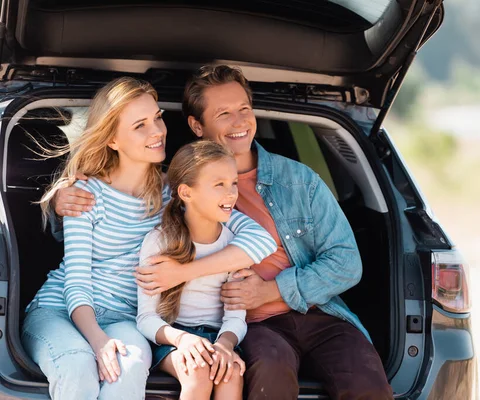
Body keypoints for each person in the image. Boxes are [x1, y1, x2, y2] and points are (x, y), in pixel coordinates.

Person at [54, 65, 393, 399]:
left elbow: (345, 262)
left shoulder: (299, 180)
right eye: (224, 113)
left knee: (367, 383)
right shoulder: (181, 190)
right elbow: (106, 214)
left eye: (244, 109)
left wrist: (264, 289)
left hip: (317, 312)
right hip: (252, 325)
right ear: (196, 126)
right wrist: (61, 200)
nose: (239, 122)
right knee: (267, 377)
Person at [29, 76, 277, 400]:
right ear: (113, 140)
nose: (158, 130)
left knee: (130, 368)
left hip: (129, 318)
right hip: (63, 310)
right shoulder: (85, 194)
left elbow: (260, 241)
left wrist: (185, 273)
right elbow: (76, 281)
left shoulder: (174, 196)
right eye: (140, 125)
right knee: (78, 366)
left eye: (158, 117)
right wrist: (98, 342)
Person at [137, 141, 250, 400]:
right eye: (218, 184)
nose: (231, 193)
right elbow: (145, 319)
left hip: (219, 337)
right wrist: (182, 340)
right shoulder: (159, 242)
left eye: (233, 183)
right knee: (197, 371)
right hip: (172, 337)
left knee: (230, 373)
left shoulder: (236, 247)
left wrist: (225, 344)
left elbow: (235, 316)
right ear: (187, 193)